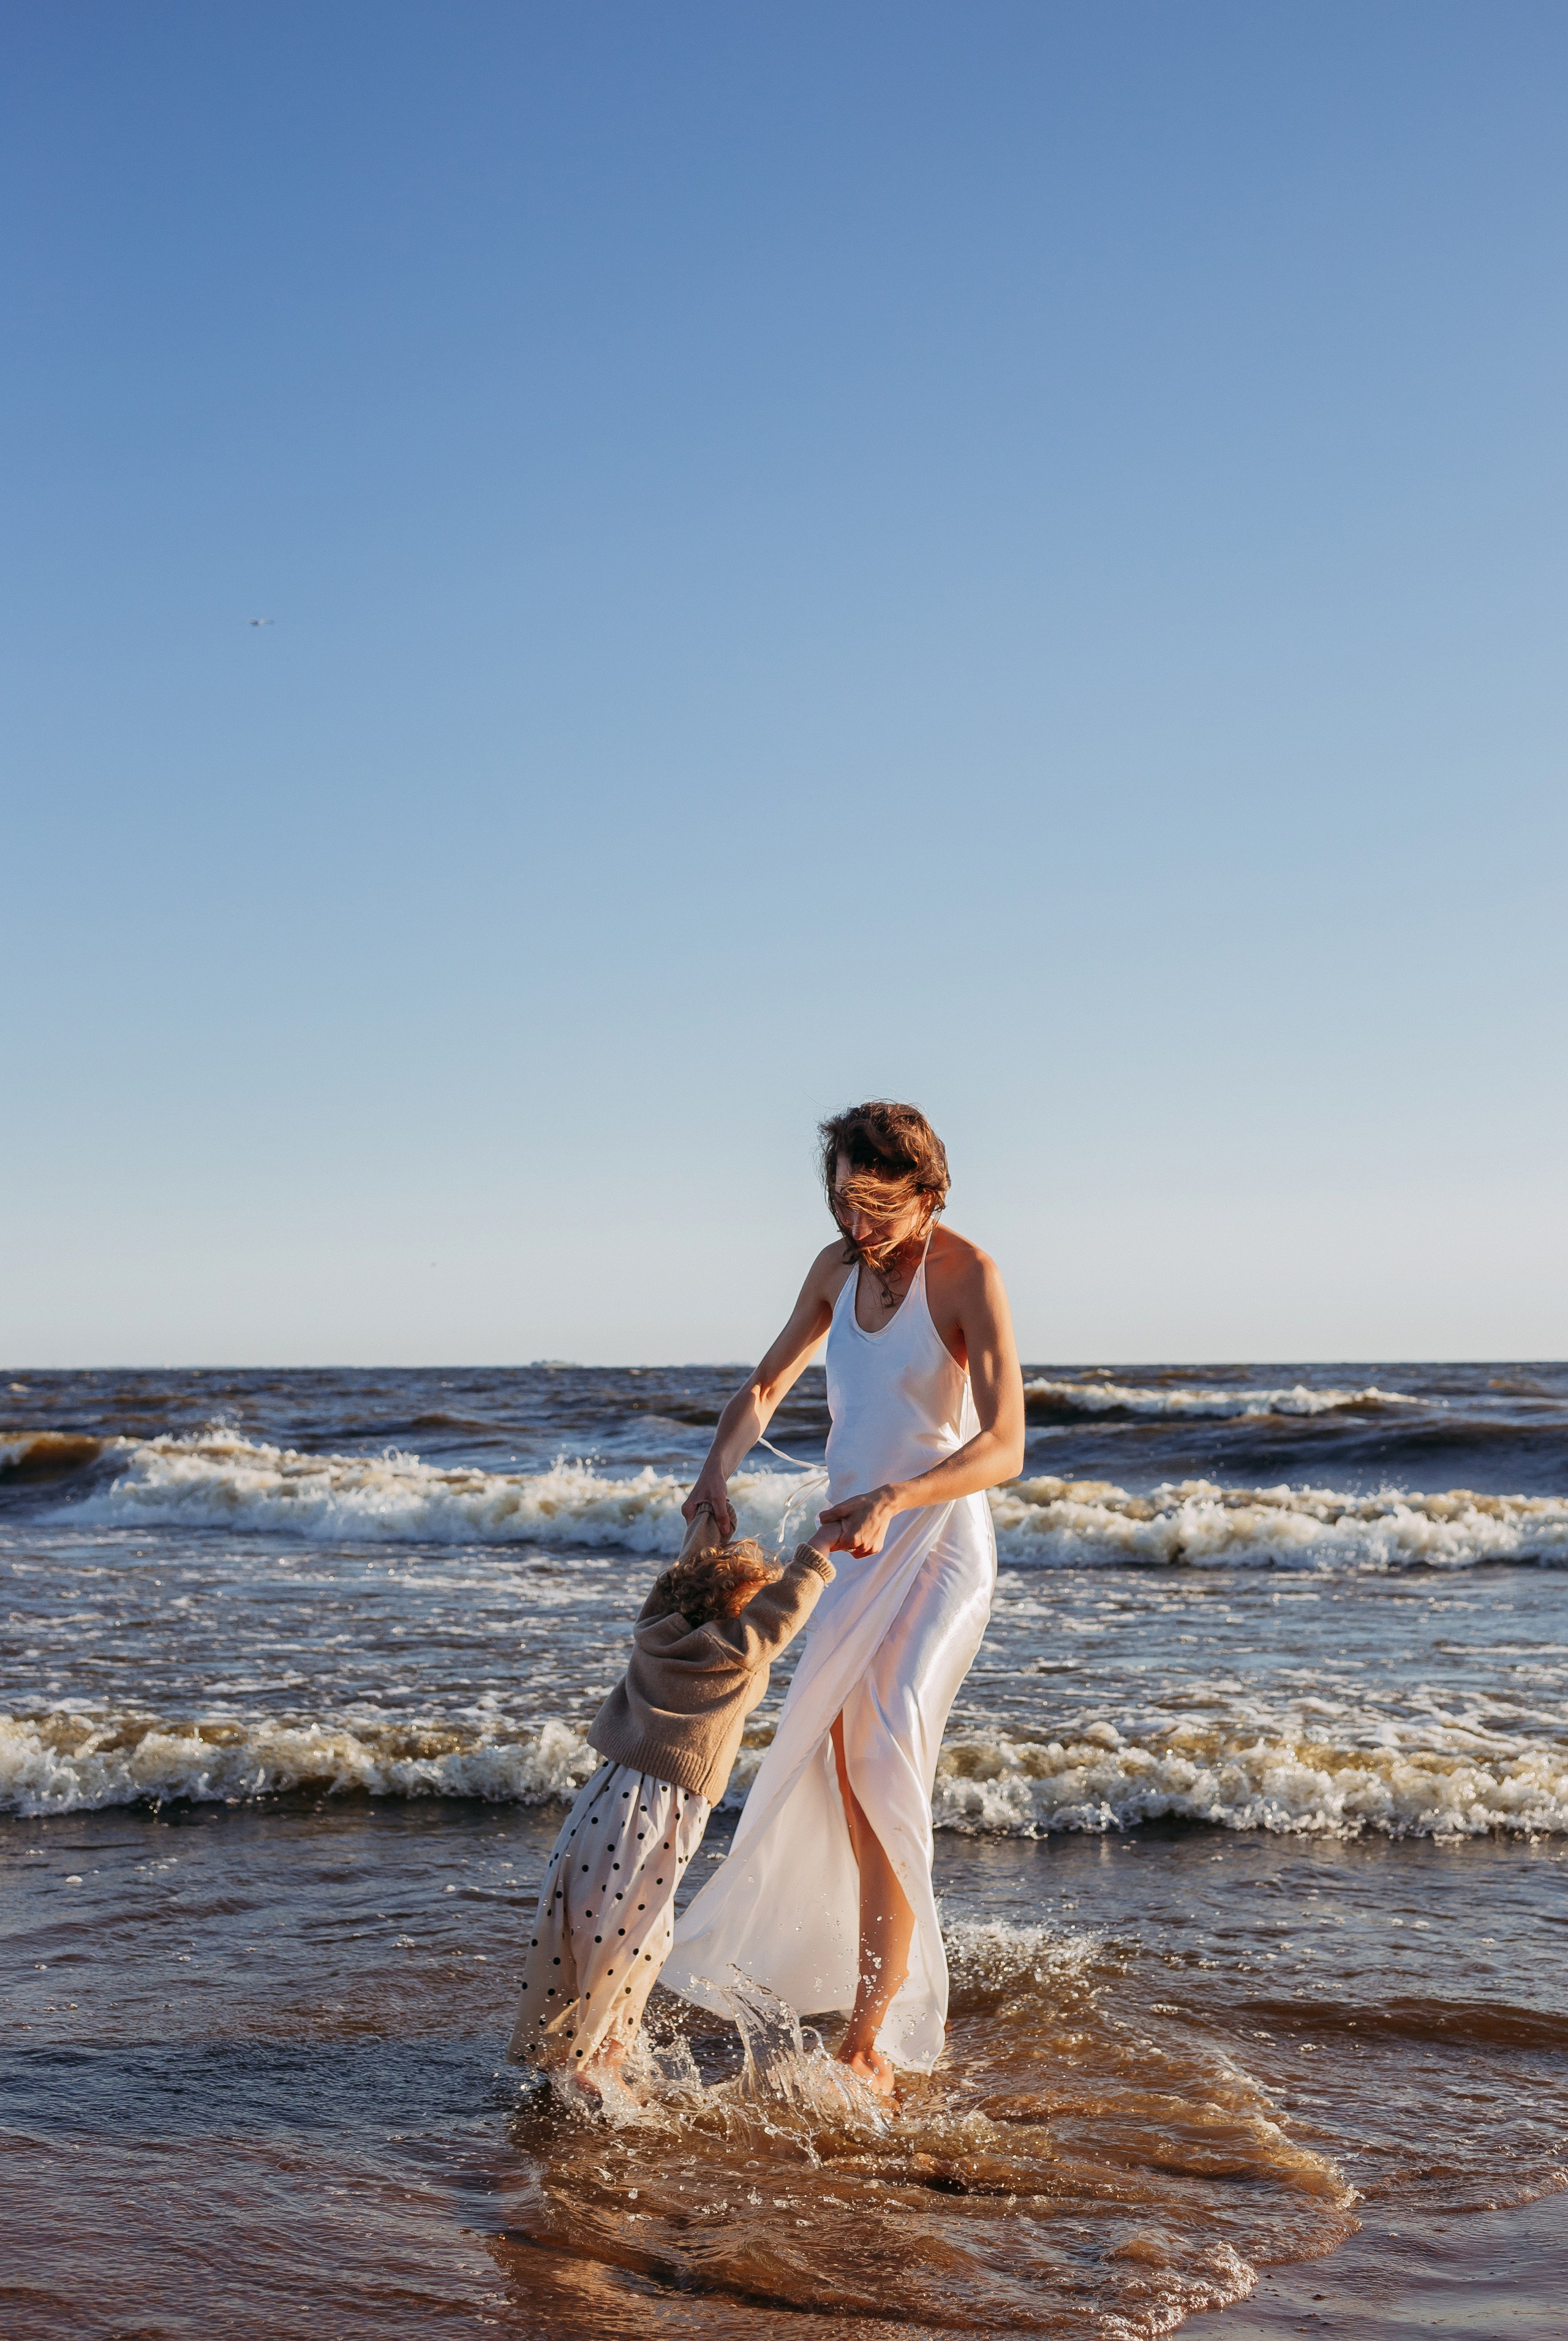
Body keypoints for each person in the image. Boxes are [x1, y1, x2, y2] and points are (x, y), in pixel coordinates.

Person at [662, 1100, 1025, 2096]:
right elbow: (768, 1385)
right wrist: (716, 1472)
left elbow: (1005, 1444)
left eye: (876, 1206)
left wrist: (903, 1494)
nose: (857, 1227)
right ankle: (863, 1992)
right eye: (841, 1203)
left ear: (927, 1191)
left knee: (883, 1747)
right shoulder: (834, 1271)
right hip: (851, 1543)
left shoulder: (967, 1276)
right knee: (832, 1761)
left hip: (937, 1540)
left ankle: (875, 2033)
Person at [507, 1505, 835, 2098]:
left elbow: (684, 1572)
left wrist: (707, 1517)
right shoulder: (730, 1653)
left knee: (609, 1923)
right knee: (628, 1931)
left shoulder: (659, 1624)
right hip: (660, 1809)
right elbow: (778, 1620)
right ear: (737, 1611)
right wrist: (819, 1552)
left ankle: (591, 2050)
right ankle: (592, 2065)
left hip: (605, 1799)